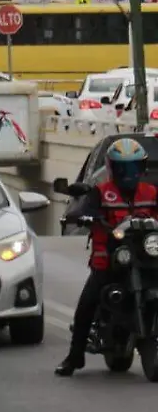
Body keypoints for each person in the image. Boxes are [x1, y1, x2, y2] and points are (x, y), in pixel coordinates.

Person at [55, 138, 156, 376]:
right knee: (87, 304)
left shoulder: (151, 192)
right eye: (122, 168)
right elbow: (83, 209)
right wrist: (84, 216)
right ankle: (74, 357)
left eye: (133, 168)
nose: (128, 174)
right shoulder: (101, 193)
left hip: (146, 258)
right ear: (112, 168)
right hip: (110, 260)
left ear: (141, 169)